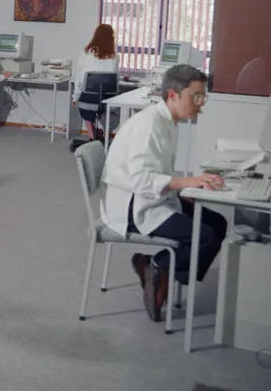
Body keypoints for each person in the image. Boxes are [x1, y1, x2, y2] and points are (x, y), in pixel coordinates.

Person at [99, 64, 228, 322]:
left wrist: (183, 188)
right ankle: (159, 269)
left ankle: (159, 270)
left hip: (151, 198)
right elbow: (142, 181)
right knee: (206, 235)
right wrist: (187, 182)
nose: (201, 104)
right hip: (133, 208)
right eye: (196, 97)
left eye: (203, 97)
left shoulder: (167, 120)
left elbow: (156, 172)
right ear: (173, 95)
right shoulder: (150, 126)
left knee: (217, 222)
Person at [72, 23, 119, 139]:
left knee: (84, 104)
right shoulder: (115, 56)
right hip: (106, 99)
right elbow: (114, 78)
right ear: (111, 38)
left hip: (88, 98)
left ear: (95, 36)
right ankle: (104, 132)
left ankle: (91, 133)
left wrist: (75, 97)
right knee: (113, 107)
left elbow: (79, 79)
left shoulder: (85, 53)